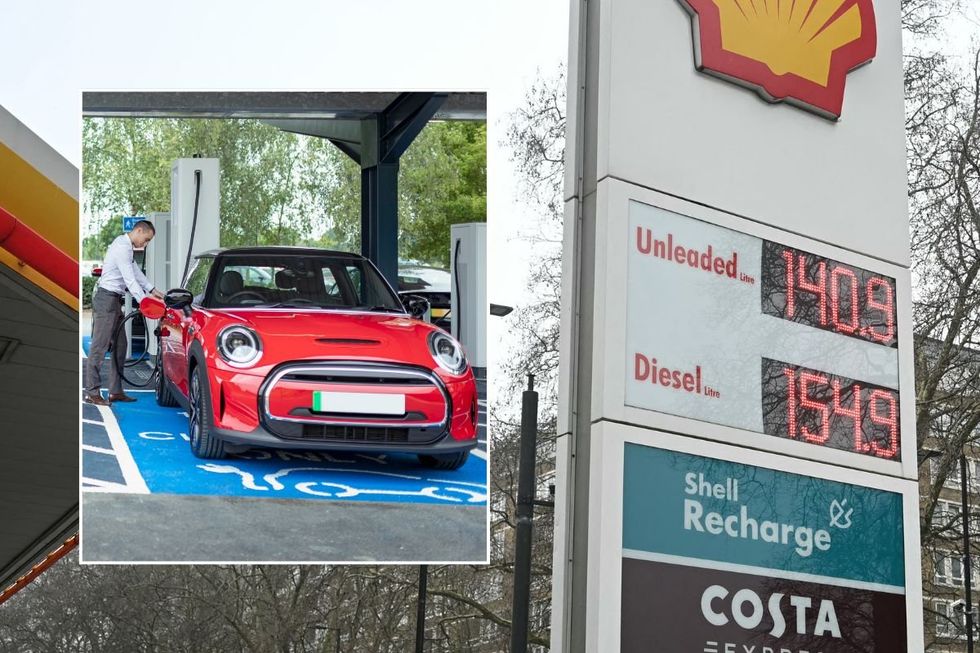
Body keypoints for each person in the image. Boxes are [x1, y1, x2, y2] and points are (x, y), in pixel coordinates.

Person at [83, 220, 165, 405]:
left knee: (121, 346)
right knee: (99, 346)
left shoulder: (127, 248)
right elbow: (130, 280)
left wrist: (153, 291)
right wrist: (144, 302)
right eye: (146, 239)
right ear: (139, 230)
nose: (145, 244)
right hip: (106, 300)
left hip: (114, 300)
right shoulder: (122, 247)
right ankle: (92, 392)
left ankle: (115, 391)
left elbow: (136, 273)